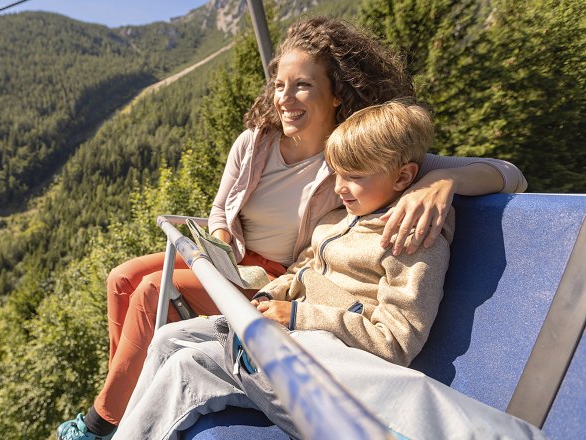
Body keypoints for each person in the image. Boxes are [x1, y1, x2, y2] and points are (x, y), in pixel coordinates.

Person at [56, 16, 527, 440]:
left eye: (302, 85)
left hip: (280, 286)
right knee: (122, 279)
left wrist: (444, 180)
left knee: (150, 299)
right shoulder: (266, 148)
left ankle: (102, 424)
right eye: (279, 84)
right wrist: (221, 246)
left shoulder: (358, 157)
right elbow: (225, 212)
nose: (285, 97)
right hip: (244, 261)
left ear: (335, 92)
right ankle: (119, 402)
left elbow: (505, 173)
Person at [114, 100, 544, 440]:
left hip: (316, 366)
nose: (339, 187)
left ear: (404, 177)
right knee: (169, 337)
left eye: (353, 177)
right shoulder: (340, 217)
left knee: (187, 369)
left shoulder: (411, 235)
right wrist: (278, 293)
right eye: (336, 174)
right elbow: (305, 271)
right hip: (287, 331)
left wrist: (299, 316)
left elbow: (395, 341)